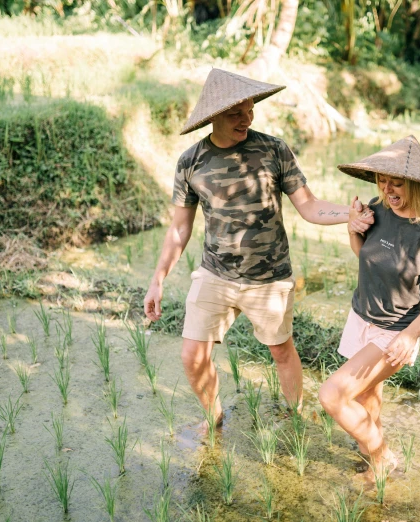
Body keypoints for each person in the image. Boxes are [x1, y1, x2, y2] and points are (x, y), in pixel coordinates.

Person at [143, 68, 373, 436]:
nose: (246, 118)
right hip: (215, 273)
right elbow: (179, 227)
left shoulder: (273, 148)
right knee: (192, 355)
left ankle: (297, 416)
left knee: (281, 351)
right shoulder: (191, 162)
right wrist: (157, 281)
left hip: (269, 278)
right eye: (236, 113)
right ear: (213, 116)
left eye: (250, 109)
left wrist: (350, 214)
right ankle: (214, 417)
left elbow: (309, 206)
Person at [318, 135, 420, 480]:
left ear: (417, 185)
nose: (387, 188)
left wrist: (411, 336)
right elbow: (366, 256)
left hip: (395, 330)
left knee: (333, 395)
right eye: (383, 180)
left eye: (396, 182)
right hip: (361, 316)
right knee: (367, 394)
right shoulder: (377, 209)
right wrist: (354, 227)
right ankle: (372, 459)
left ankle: (383, 457)